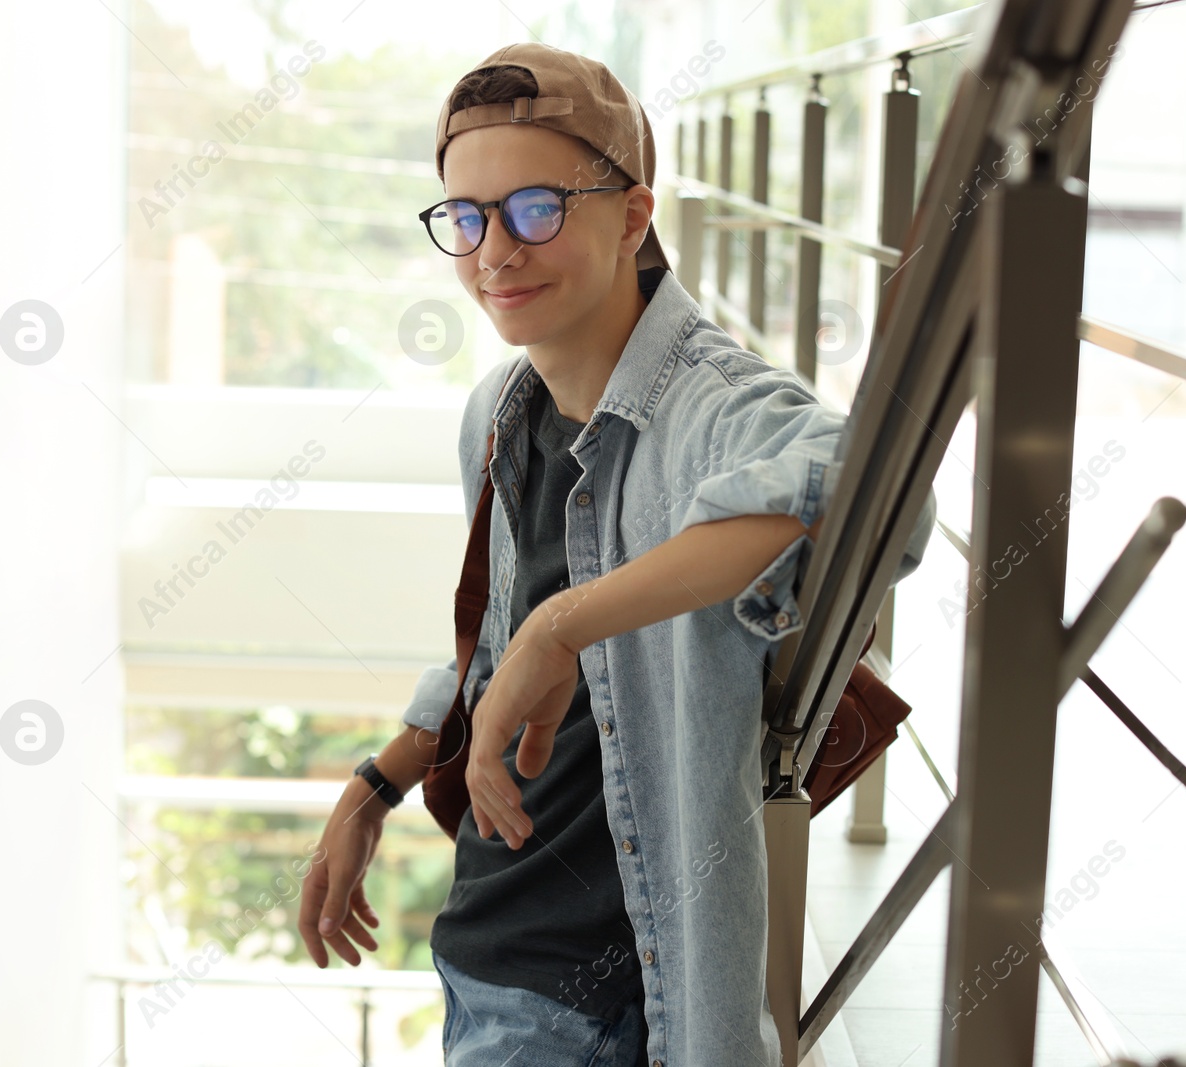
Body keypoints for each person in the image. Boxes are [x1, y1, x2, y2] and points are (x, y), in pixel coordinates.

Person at [297, 42, 937, 1067]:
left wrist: (567, 624)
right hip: (488, 946)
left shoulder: (704, 404)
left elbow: (869, 484)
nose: (493, 252)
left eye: (536, 208)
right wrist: (375, 785)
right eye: (464, 217)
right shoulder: (498, 416)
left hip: (605, 991)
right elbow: (501, 647)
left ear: (634, 215)